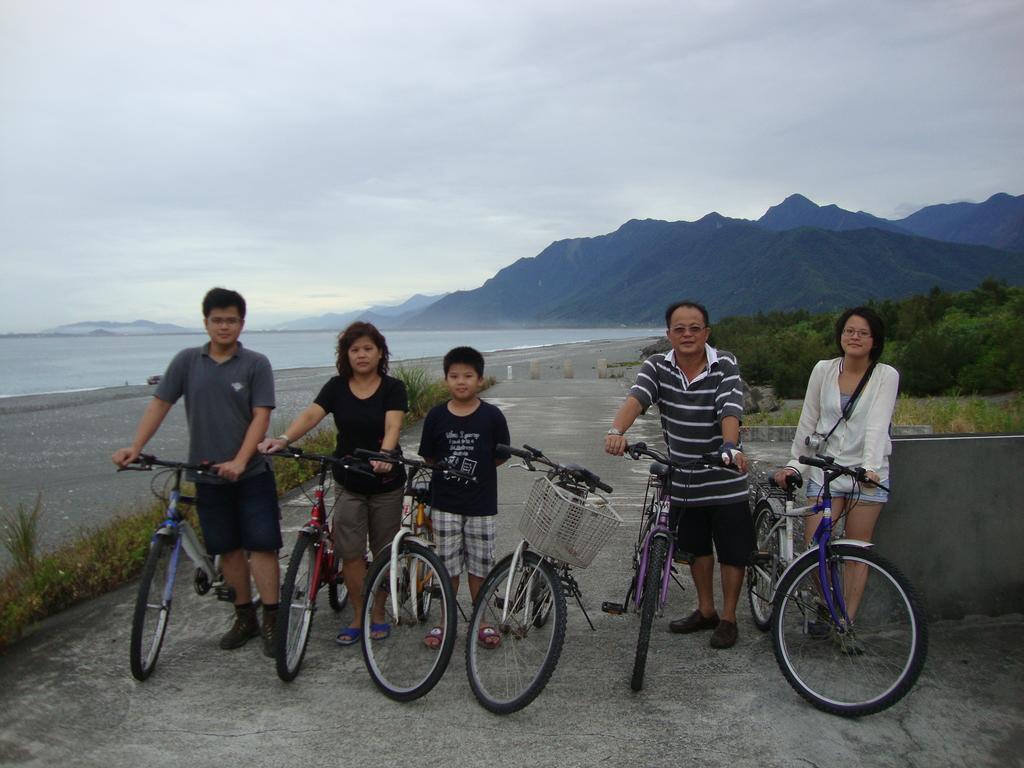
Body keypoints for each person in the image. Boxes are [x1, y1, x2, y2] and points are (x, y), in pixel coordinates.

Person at [112, 287, 281, 656]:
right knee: (229, 549)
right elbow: (160, 404)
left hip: (251, 474)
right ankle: (244, 617)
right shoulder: (187, 361)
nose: (224, 326)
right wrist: (135, 447)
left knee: (262, 547)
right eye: (217, 320)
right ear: (205, 322)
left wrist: (240, 459)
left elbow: (261, 417)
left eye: (231, 320)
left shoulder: (256, 364)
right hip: (207, 476)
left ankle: (271, 618)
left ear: (242, 323)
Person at [605, 300, 752, 649]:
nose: (687, 335)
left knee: (732, 551)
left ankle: (729, 618)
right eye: (679, 329)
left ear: (707, 332)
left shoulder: (725, 363)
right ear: (669, 333)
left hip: (723, 473)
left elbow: (729, 407)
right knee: (698, 549)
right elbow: (637, 399)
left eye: (695, 328)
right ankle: (706, 610)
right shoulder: (656, 366)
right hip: (684, 476)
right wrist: (616, 430)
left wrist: (730, 447)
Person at [258, 321, 407, 646]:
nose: (362, 354)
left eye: (368, 348)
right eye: (355, 349)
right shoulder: (336, 386)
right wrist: (283, 439)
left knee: (383, 552)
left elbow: (393, 425)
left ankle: (378, 613)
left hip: (386, 482)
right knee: (351, 553)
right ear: (346, 355)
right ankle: (358, 614)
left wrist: (385, 454)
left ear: (379, 352)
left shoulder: (393, 387)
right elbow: (312, 415)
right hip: (348, 480)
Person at [773, 306, 898, 622]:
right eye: (849, 331)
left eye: (863, 332)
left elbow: (877, 425)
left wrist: (870, 467)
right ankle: (827, 604)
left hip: (865, 474)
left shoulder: (885, 375)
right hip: (825, 471)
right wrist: (795, 463)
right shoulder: (824, 370)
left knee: (858, 552)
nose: (854, 337)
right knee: (814, 549)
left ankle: (846, 622)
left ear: (875, 340)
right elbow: (809, 421)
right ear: (840, 335)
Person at [417, 347, 510, 650]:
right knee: (446, 566)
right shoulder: (435, 416)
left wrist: (475, 474)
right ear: (445, 380)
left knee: (480, 566)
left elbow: (499, 456)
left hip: (481, 505)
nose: (461, 382)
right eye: (454, 376)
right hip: (444, 504)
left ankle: (482, 619)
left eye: (468, 376)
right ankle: (445, 621)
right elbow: (429, 457)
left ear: (480, 380)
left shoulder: (492, 416)